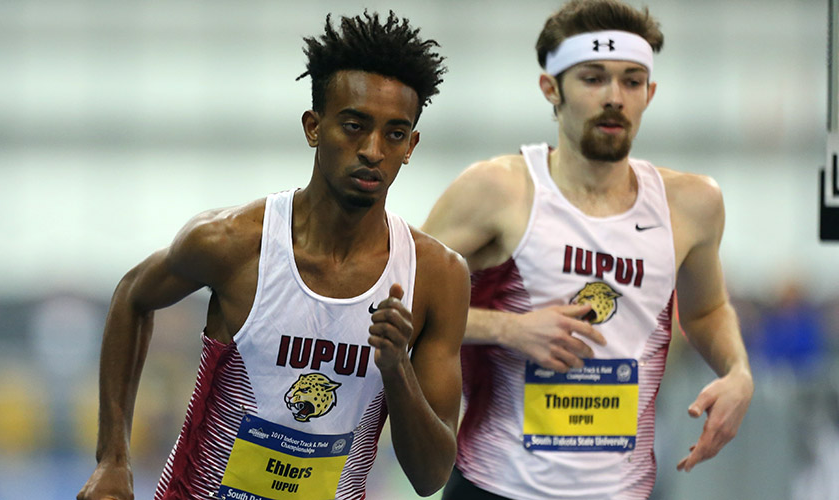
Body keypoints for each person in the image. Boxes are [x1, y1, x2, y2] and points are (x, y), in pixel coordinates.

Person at [76, 10, 470, 500]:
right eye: (354, 125)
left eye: (394, 134)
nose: (372, 150)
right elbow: (132, 296)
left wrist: (396, 369)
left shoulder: (436, 277)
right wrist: (113, 457)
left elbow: (430, 476)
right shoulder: (233, 242)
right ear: (313, 127)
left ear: (411, 146)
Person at [421, 1, 754, 498]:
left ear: (650, 94)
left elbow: (706, 311)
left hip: (621, 489)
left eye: (632, 81)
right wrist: (510, 327)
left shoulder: (692, 204)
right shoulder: (497, 189)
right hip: (495, 484)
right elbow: (399, 302)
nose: (615, 97)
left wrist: (738, 372)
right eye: (593, 79)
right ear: (550, 88)